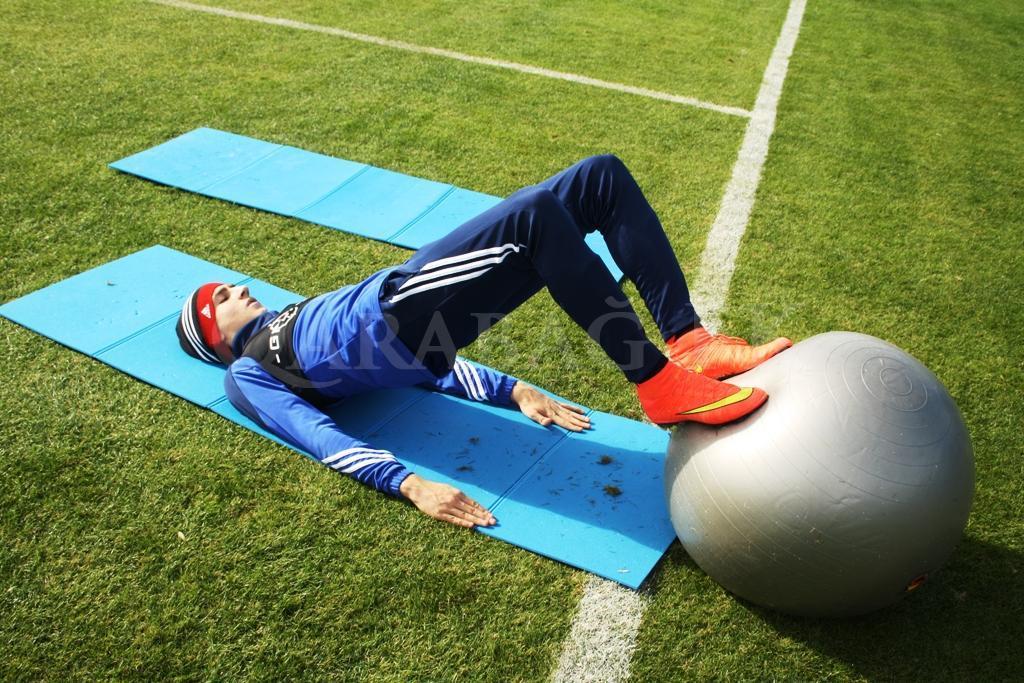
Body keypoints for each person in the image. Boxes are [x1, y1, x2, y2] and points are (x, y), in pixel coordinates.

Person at [175, 155, 790, 529]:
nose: (237, 288)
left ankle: (688, 338)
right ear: (212, 339)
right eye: (220, 297)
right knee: (532, 213)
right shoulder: (245, 374)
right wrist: (407, 484)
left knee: (598, 178)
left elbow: (406, 371)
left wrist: (510, 389)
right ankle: (654, 380)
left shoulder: (286, 320)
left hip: (410, 303)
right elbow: (311, 431)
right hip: (398, 314)